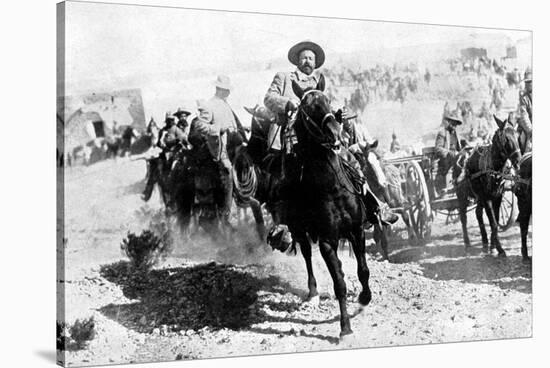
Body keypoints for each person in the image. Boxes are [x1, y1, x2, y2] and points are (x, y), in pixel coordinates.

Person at [263, 41, 396, 248]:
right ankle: (284, 227)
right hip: (293, 138)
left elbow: (331, 106)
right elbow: (269, 98)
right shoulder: (285, 78)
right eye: (304, 57)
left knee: (353, 165)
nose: (307, 61)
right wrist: (287, 103)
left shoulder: (321, 82)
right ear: (298, 60)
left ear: (315, 63)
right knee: (286, 179)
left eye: (311, 58)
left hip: (323, 139)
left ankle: (376, 207)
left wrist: (339, 113)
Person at [193, 75, 245, 224]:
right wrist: (217, 128)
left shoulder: (225, 104)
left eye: (228, 90)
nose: (228, 93)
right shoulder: (209, 105)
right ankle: (225, 213)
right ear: (219, 89)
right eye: (225, 90)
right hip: (220, 149)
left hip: (234, 145)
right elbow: (200, 126)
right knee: (227, 171)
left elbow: (232, 124)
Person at [434, 113, 464, 195]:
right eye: (453, 124)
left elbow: (461, 145)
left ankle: (463, 186)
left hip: (457, 158)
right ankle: (447, 188)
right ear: (449, 123)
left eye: (456, 125)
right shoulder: (442, 133)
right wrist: (449, 153)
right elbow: (438, 148)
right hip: (446, 160)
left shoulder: (456, 134)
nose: (454, 126)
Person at [517, 69, 532, 153]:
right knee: (523, 143)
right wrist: (530, 130)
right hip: (528, 128)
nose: (528, 84)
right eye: (526, 82)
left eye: (530, 82)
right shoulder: (524, 98)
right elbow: (524, 115)